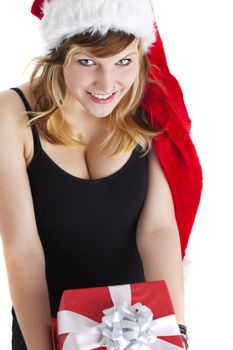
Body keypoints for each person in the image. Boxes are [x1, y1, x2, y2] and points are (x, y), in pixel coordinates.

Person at [0, 0, 202, 349]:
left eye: (124, 61)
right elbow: (23, 250)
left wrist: (175, 333)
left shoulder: (149, 105)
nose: (107, 83)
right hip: (43, 327)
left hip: (140, 330)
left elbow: (158, 230)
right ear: (60, 54)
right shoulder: (12, 116)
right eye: (87, 61)